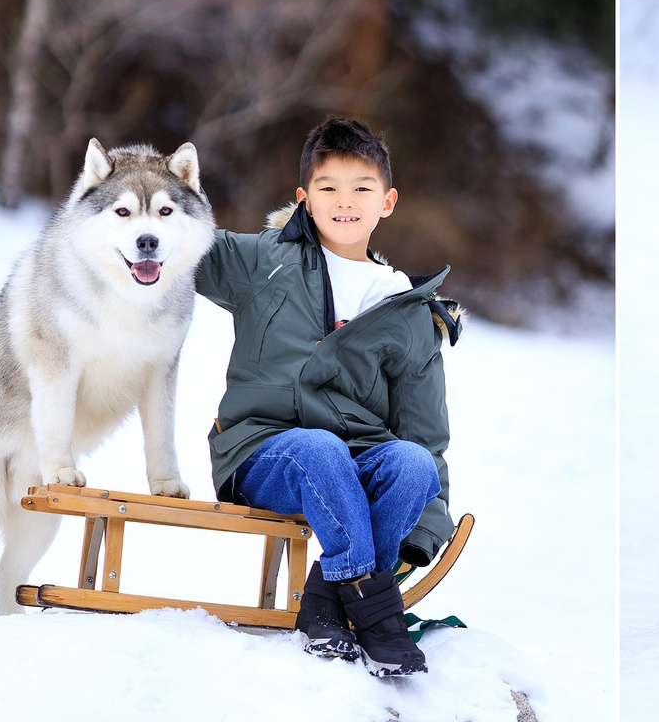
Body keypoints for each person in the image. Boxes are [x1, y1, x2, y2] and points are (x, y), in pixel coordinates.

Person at [194, 117, 462, 678]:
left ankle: (325, 602)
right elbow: (180, 241)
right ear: (304, 200)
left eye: (362, 188)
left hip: (356, 458)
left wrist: (426, 522)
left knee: (412, 464)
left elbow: (425, 431)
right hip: (264, 450)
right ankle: (375, 613)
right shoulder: (261, 260)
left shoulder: (407, 309)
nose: (346, 201)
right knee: (318, 447)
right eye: (328, 188)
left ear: (387, 202)